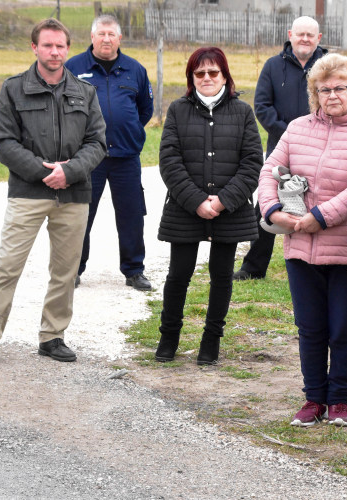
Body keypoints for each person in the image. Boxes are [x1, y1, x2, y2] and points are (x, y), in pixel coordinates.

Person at [258, 53, 347, 427]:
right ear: (314, 93)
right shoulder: (297, 128)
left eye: (340, 88)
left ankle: (339, 399)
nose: (332, 95)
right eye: (323, 88)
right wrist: (272, 211)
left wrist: (320, 217)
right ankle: (314, 397)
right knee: (310, 327)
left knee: (344, 328)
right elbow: (271, 170)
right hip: (300, 245)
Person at [0, 19, 106, 365]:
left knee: (65, 271)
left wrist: (69, 171)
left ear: (67, 48)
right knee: (7, 265)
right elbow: (4, 143)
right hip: (27, 193)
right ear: (34, 48)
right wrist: (44, 173)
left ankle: (52, 336)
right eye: (47, 45)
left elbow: (97, 143)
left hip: (73, 194)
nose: (55, 52)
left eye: (60, 45)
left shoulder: (84, 92)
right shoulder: (14, 90)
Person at [154, 47, 263, 366]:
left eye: (213, 72)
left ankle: (211, 339)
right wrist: (196, 200)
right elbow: (169, 160)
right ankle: (169, 335)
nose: (206, 78)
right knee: (178, 274)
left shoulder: (242, 112)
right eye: (199, 73)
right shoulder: (177, 110)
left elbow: (252, 161)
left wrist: (224, 200)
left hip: (228, 210)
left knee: (222, 276)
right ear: (191, 78)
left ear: (225, 76)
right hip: (185, 210)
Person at [233, 16, 327, 282]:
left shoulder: (329, 67)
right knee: (267, 205)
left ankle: (316, 266)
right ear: (290, 35)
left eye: (311, 35)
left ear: (319, 38)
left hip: (322, 150)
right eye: (300, 34)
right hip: (281, 151)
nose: (305, 39)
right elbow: (262, 106)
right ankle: (253, 267)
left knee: (316, 205)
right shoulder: (273, 66)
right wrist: (292, 137)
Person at [65, 14, 154, 291]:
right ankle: (73, 270)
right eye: (101, 34)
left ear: (119, 38)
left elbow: (145, 109)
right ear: (92, 37)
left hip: (126, 157)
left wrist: (125, 129)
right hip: (87, 158)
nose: (106, 39)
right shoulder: (73, 67)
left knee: (131, 215)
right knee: (80, 215)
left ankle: (134, 270)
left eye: (111, 34)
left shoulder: (135, 69)